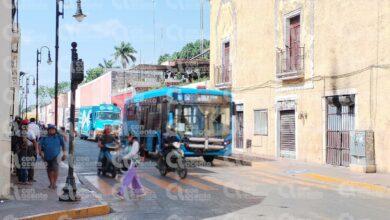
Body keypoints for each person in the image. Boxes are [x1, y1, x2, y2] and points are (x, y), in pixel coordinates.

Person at [39, 124, 67, 189]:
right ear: (48, 130)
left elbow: (63, 145)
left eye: (53, 129)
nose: (52, 131)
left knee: (55, 169)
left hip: (56, 156)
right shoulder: (44, 137)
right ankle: (51, 183)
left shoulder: (59, 137)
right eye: (50, 129)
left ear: (55, 130)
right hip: (46, 156)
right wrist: (40, 153)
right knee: (49, 170)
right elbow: (40, 145)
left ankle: (54, 183)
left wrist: (64, 154)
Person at [117, 134, 144, 199]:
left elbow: (132, 153)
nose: (128, 139)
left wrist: (124, 157)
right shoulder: (135, 143)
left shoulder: (135, 143)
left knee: (127, 178)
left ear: (132, 137)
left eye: (128, 137)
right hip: (135, 162)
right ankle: (139, 192)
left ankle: (121, 192)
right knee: (134, 178)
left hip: (134, 162)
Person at [17, 120, 39, 184]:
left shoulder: (18, 132)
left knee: (22, 164)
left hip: (20, 149)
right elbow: (35, 142)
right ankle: (26, 179)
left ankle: (22, 179)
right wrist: (36, 150)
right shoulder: (30, 132)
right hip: (28, 149)